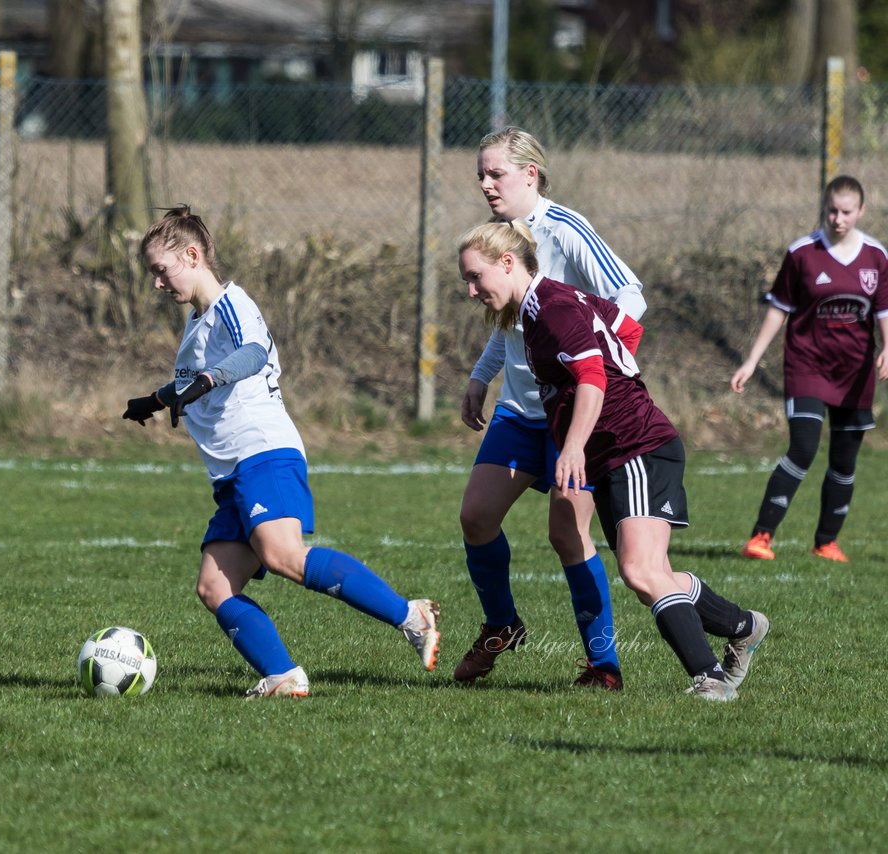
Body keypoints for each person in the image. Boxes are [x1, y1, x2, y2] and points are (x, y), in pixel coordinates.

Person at [123, 205, 440, 698]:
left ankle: (411, 615)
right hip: (230, 474)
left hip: (262, 451)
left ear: (192, 255)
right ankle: (282, 676)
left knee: (283, 554)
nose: (158, 284)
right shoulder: (197, 322)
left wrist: (213, 377)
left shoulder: (233, 305)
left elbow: (250, 354)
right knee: (215, 588)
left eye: (161, 271)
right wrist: (155, 400)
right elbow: (189, 384)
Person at [459, 219, 769, 701]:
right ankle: (743, 626)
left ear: (507, 263)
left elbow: (592, 379)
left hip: (636, 447)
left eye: (476, 278)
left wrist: (580, 440)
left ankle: (710, 678)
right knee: (649, 575)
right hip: (614, 452)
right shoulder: (551, 305)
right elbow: (624, 329)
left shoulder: (553, 308)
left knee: (642, 570)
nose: (473, 291)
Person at [453, 127, 648, 690]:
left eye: (496, 174)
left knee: (567, 531)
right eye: (481, 175)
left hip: (568, 415)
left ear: (530, 175)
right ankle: (502, 623)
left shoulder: (565, 229)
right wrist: (480, 376)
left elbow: (630, 296)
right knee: (476, 516)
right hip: (518, 411)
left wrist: (604, 365)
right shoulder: (496, 237)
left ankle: (602, 663)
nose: (486, 184)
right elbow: (516, 317)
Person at [731, 175, 888, 563]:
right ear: (825, 208)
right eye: (832, 210)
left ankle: (826, 542)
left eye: (847, 212)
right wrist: (751, 361)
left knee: (844, 460)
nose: (838, 219)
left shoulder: (876, 256)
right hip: (807, 365)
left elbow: (884, 311)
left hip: (855, 372)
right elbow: (778, 309)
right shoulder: (803, 253)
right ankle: (760, 537)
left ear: (861, 211)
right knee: (803, 447)